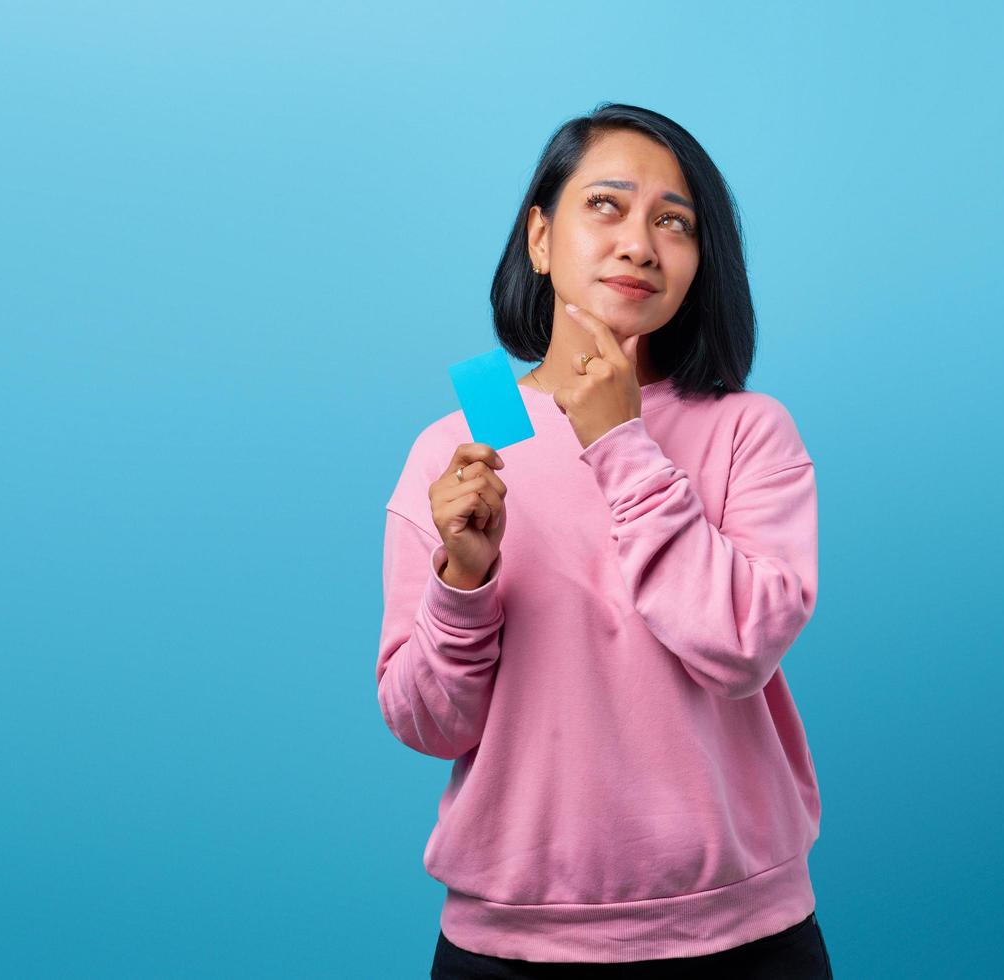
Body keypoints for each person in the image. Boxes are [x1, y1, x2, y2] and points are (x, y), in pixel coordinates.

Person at [376, 103, 830, 979]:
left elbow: (740, 646)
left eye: (675, 222)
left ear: (702, 264)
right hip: (509, 948)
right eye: (607, 206)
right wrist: (461, 586)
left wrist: (620, 442)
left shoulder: (747, 430)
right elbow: (427, 724)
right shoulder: (469, 436)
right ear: (539, 238)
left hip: (743, 941)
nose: (640, 244)